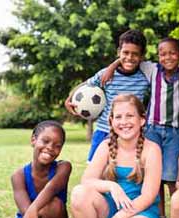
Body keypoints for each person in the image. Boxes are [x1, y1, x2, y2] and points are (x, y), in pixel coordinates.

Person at [101, 37, 179, 218]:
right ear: (158, 56)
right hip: (152, 129)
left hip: (173, 132)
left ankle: (177, 214)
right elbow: (128, 57)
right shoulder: (151, 69)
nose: (167, 57)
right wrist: (112, 66)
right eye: (163, 54)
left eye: (172, 53)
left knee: (172, 175)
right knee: (153, 174)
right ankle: (161, 215)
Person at [70, 94, 162, 218]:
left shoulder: (152, 149)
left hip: (140, 211)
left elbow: (148, 196)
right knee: (79, 193)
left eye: (130, 116)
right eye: (118, 117)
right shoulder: (106, 146)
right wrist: (112, 187)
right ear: (111, 122)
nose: (124, 122)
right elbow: (87, 181)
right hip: (110, 208)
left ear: (141, 120)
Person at [64, 29, 150, 163]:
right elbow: (86, 84)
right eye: (125, 53)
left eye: (135, 54)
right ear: (118, 52)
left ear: (142, 56)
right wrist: (69, 98)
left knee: (123, 171)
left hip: (130, 133)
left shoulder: (145, 77)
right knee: (95, 170)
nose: (129, 57)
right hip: (104, 130)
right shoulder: (106, 74)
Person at [0, 120, 72, 218]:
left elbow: (52, 188)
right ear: (33, 140)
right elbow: (27, 213)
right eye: (45, 141)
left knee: (54, 205)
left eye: (57, 145)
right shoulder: (18, 176)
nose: (50, 147)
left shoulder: (64, 167)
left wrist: (33, 209)